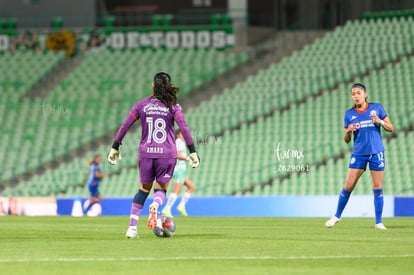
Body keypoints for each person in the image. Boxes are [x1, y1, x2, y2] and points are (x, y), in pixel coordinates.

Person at [107, 72, 200, 239]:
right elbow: (184, 128)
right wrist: (192, 151)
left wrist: (115, 146)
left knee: (143, 189)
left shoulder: (141, 105)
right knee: (161, 189)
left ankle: (132, 228)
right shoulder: (174, 107)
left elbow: (125, 126)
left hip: (146, 153)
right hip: (166, 153)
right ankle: (156, 205)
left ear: (153, 85)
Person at [325, 83, 394, 230]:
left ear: (365, 94)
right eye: (353, 94)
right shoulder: (349, 114)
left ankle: (379, 222)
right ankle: (336, 216)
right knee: (348, 186)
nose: (355, 96)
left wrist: (380, 121)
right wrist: (348, 131)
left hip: (376, 152)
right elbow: (346, 140)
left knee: (377, 187)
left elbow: (391, 128)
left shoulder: (377, 108)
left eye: (358, 93)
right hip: (358, 153)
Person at [162, 130, 195, 217]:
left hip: (181, 169)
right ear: (178, 135)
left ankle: (181, 205)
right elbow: (178, 155)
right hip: (178, 169)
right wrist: (189, 158)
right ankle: (167, 208)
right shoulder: (179, 142)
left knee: (191, 186)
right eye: (182, 134)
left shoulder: (180, 142)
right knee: (177, 189)